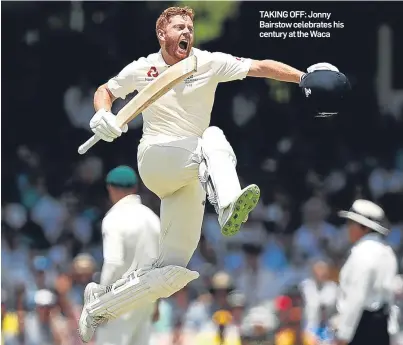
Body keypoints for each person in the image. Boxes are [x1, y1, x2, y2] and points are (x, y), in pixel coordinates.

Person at [78, 6, 349, 342]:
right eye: (179, 27)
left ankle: (98, 307)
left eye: (190, 27)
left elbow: (259, 67)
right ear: (162, 34)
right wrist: (102, 114)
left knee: (171, 274)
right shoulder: (143, 67)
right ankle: (227, 204)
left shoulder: (207, 62)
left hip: (192, 174)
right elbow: (106, 89)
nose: (187, 32)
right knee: (212, 137)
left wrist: (302, 77)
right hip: (158, 159)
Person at [88, 165, 161, 345]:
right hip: (146, 299)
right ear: (135, 188)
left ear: (110, 188)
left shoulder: (114, 218)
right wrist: (157, 303)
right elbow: (159, 264)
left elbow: (113, 262)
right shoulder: (152, 219)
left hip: (119, 300)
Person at [332, 199, 398, 345]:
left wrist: (343, 335)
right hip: (382, 325)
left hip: (361, 327)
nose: (348, 228)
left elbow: (356, 297)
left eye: (351, 223)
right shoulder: (387, 252)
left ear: (364, 228)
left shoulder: (362, 253)